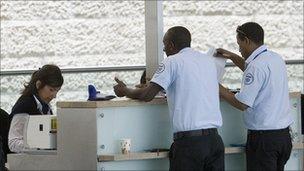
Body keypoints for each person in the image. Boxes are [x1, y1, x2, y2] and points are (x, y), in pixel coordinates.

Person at [114, 26, 224, 170]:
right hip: (214, 141)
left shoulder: (172, 61)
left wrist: (125, 91)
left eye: (165, 45)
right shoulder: (208, 62)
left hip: (189, 144)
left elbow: (147, 95)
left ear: (172, 45)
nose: (164, 50)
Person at [216, 22, 293, 171]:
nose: (239, 49)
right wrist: (232, 56)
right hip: (283, 138)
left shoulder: (256, 66)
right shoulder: (275, 58)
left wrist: (216, 86)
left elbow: (242, 103)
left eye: (239, 44)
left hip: (264, 141)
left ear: (247, 40)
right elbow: (255, 71)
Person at [8, 64, 64, 153]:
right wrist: (38, 147)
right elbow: (13, 142)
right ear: (38, 85)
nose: (54, 96)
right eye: (51, 90)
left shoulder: (46, 107)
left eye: (57, 91)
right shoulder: (24, 106)